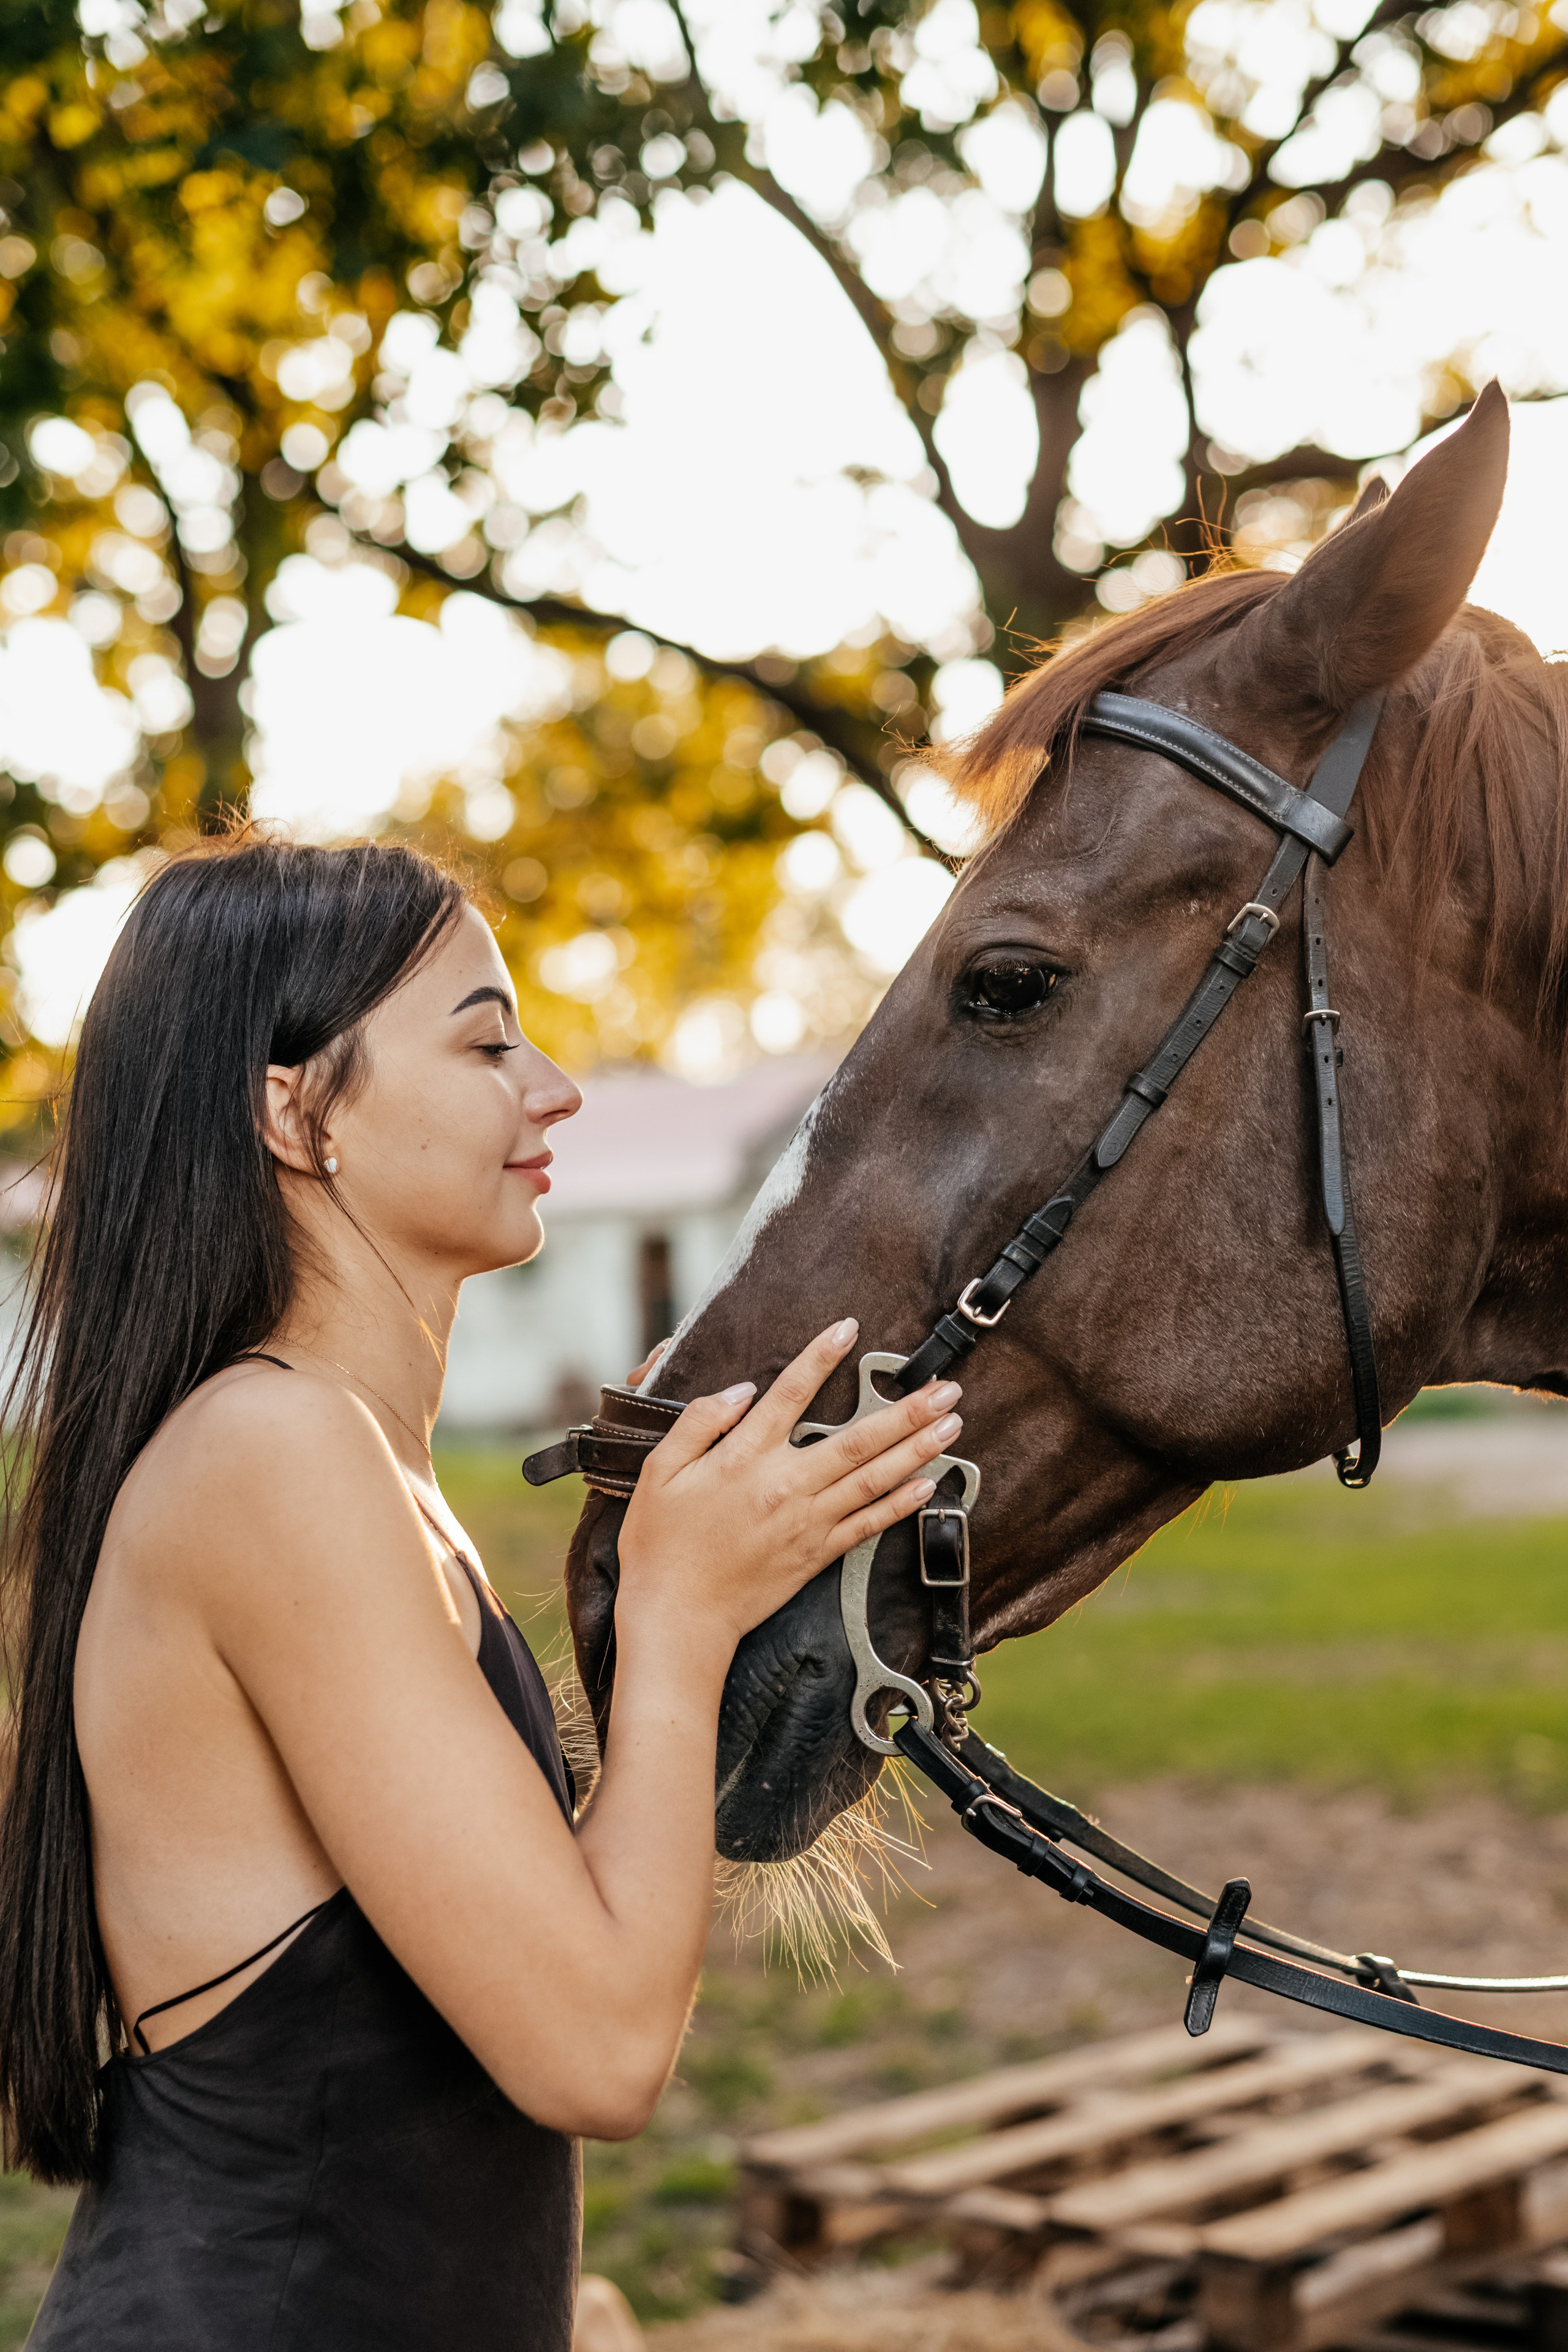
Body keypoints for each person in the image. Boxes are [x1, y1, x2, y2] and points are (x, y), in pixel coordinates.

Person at [0, 832, 963, 2351]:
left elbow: (501, 1984)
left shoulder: (350, 1462)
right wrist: (679, 1617)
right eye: (485, 1041)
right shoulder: (271, 1452)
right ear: (293, 1109)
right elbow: (594, 2049)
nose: (555, 1089)